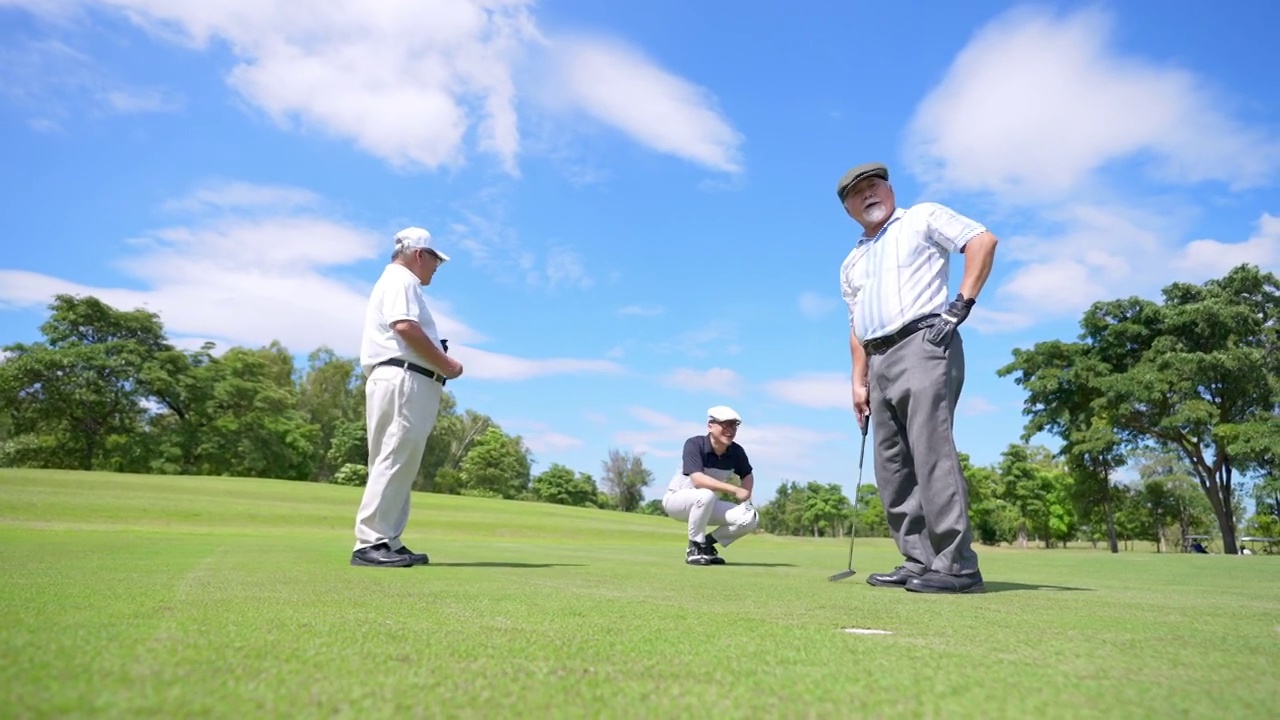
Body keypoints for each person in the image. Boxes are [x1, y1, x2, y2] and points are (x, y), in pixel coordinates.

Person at [836, 162, 998, 594]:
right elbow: (856, 323)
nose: (868, 194)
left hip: (925, 340)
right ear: (848, 207)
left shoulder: (921, 217)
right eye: (857, 192)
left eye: (875, 185)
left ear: (890, 189)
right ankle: (919, 559)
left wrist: (960, 305)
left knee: (931, 451)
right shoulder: (852, 261)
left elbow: (981, 240)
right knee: (891, 466)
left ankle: (957, 564)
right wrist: (858, 379)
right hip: (877, 360)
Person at [350, 226, 464, 568]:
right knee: (395, 459)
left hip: (397, 376)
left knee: (396, 461)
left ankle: (388, 540)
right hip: (404, 377)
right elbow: (405, 327)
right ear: (419, 254)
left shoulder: (395, 280)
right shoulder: (403, 280)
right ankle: (370, 542)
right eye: (434, 260)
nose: (436, 266)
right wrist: (449, 365)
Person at [661, 406, 760, 566]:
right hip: (676, 501)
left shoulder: (736, 451)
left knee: (749, 517)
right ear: (710, 426)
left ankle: (705, 545)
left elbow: (747, 474)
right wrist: (735, 489)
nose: (730, 430)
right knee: (706, 494)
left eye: (734, 425)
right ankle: (694, 547)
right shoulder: (695, 444)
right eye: (725, 425)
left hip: (707, 505)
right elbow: (698, 480)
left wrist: (746, 493)